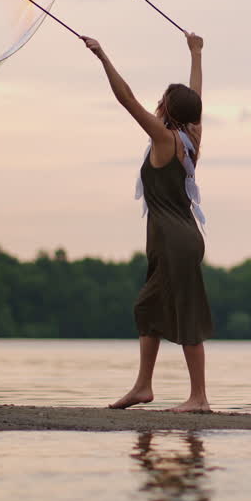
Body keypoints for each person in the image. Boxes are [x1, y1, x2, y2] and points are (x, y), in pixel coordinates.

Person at [82, 31, 214, 413]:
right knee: (148, 308)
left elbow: (126, 100)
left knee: (184, 310)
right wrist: (195, 53)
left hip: (174, 238)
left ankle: (199, 398)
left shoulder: (164, 138)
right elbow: (196, 99)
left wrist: (103, 54)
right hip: (170, 237)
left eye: (162, 101)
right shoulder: (191, 135)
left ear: (167, 110)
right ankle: (143, 387)